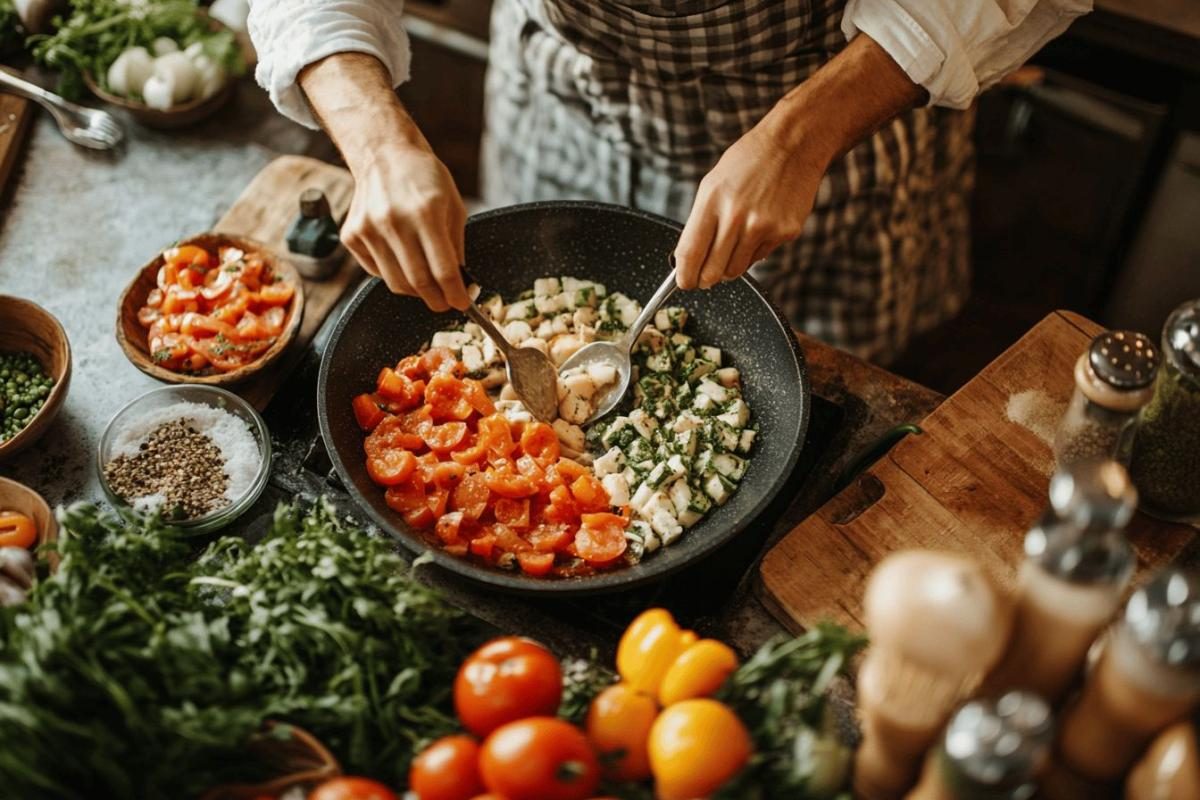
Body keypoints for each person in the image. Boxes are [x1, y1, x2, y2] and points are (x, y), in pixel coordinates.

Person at [248, 0, 1091, 362]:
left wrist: (802, 138)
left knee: (819, 376)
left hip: (835, 108)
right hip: (569, 99)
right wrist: (375, 139)